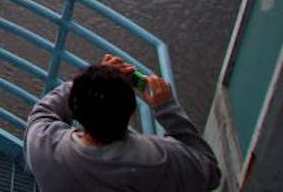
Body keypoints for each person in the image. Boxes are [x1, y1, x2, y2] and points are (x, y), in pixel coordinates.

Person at [24, 54, 220, 192]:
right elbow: (209, 170)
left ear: (75, 109)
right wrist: (168, 109)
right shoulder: (158, 159)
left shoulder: (42, 145)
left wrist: (93, 80)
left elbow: (44, 110)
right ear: (130, 112)